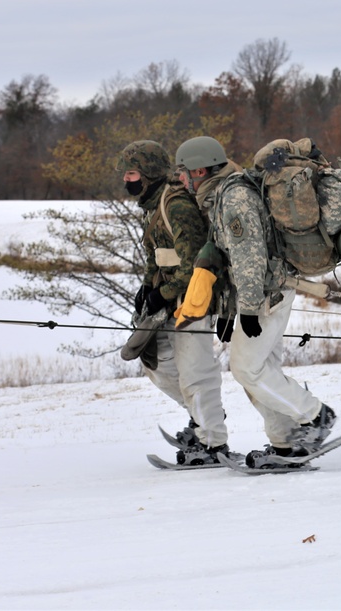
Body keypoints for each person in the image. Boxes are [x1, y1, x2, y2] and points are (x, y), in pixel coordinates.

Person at [174, 136, 337, 469]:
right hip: (261, 293)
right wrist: (230, 310)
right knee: (263, 370)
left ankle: (316, 416)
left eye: (184, 172)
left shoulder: (233, 197)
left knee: (247, 369)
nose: (181, 179)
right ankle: (287, 442)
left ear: (200, 170)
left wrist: (247, 309)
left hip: (267, 294)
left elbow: (249, 255)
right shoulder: (221, 196)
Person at [117, 139, 235, 465]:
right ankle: (202, 418)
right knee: (156, 361)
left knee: (196, 372)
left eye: (132, 173)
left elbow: (194, 265)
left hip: (193, 301)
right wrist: (146, 287)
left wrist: (163, 295)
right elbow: (157, 254)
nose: (127, 180)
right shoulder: (153, 205)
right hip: (171, 300)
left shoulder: (177, 205)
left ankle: (211, 442)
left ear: (150, 172)